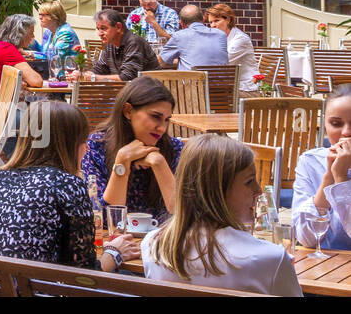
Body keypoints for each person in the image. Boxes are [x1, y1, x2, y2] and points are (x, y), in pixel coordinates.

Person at [0, 101, 141, 271]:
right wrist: (114, 252)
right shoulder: (67, 185)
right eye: (83, 140)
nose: (87, 148)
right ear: (69, 144)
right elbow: (85, 275)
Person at [142, 137, 301, 296]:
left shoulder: (152, 245)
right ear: (216, 191)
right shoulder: (271, 258)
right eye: (249, 181)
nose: (258, 190)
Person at [81, 76, 182, 219]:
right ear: (128, 111)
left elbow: (182, 215)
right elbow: (106, 219)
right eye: (155, 117)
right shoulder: (96, 146)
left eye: (166, 120)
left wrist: (159, 164)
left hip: (162, 239)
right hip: (117, 239)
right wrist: (122, 161)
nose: (162, 128)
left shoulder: (174, 148)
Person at [293, 83, 351, 250]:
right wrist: (329, 177)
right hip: (324, 265)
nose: (346, 132)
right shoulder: (310, 161)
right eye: (336, 123)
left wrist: (341, 178)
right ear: (325, 123)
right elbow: (306, 238)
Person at [90, 8, 157, 81]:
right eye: (98, 29)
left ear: (118, 27)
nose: (100, 34)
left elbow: (127, 77)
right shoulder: (110, 44)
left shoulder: (134, 42)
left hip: (148, 90)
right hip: (127, 90)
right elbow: (100, 69)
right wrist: (85, 74)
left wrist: (94, 77)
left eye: (104, 28)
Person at [205, 3, 260, 90]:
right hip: (228, 86)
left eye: (216, 21)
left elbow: (222, 64)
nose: (213, 25)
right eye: (210, 22)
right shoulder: (218, 38)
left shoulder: (240, 39)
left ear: (228, 20)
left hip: (246, 88)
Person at [158, 4, 229, 71]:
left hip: (193, 83)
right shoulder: (221, 35)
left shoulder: (179, 36)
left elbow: (161, 63)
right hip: (222, 83)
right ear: (203, 20)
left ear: (181, 24)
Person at [31, 0, 81, 65]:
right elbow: (43, 51)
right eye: (40, 14)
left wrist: (30, 54)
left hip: (67, 73)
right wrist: (31, 41)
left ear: (55, 17)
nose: (40, 17)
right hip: (51, 70)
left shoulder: (65, 34)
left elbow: (54, 57)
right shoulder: (48, 32)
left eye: (43, 15)